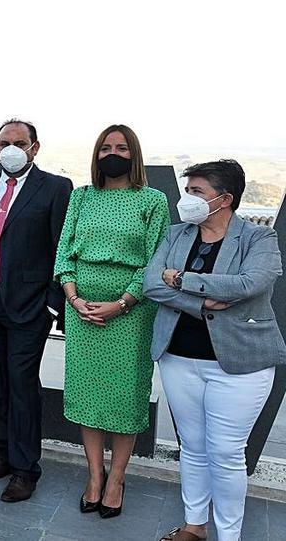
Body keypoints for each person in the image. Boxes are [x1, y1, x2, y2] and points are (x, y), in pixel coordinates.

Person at [146, 160, 285, 541]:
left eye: (196, 192)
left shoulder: (259, 239)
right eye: (187, 190)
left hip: (240, 365)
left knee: (225, 454)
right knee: (191, 447)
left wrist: (182, 279)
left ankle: (229, 535)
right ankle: (194, 527)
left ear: (224, 199)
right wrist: (202, 302)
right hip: (179, 358)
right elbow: (151, 285)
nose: (187, 199)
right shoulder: (176, 235)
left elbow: (248, 285)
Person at [54, 124, 169, 518]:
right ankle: (94, 476)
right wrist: (75, 298)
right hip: (81, 309)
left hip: (131, 314)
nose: (112, 153)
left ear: (133, 154)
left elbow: (156, 260)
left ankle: (118, 477)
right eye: (105, 147)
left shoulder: (152, 200)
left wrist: (120, 304)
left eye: (121, 147)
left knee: (125, 395)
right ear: (96, 154)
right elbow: (64, 251)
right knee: (88, 393)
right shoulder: (81, 197)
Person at [0, 120, 72, 501]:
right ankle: (4, 453)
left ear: (35, 147)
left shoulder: (56, 188)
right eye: (5, 142)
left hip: (29, 306)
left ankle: (26, 469)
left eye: (19, 143)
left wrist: (51, 303)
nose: (11, 148)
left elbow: (62, 246)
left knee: (22, 383)